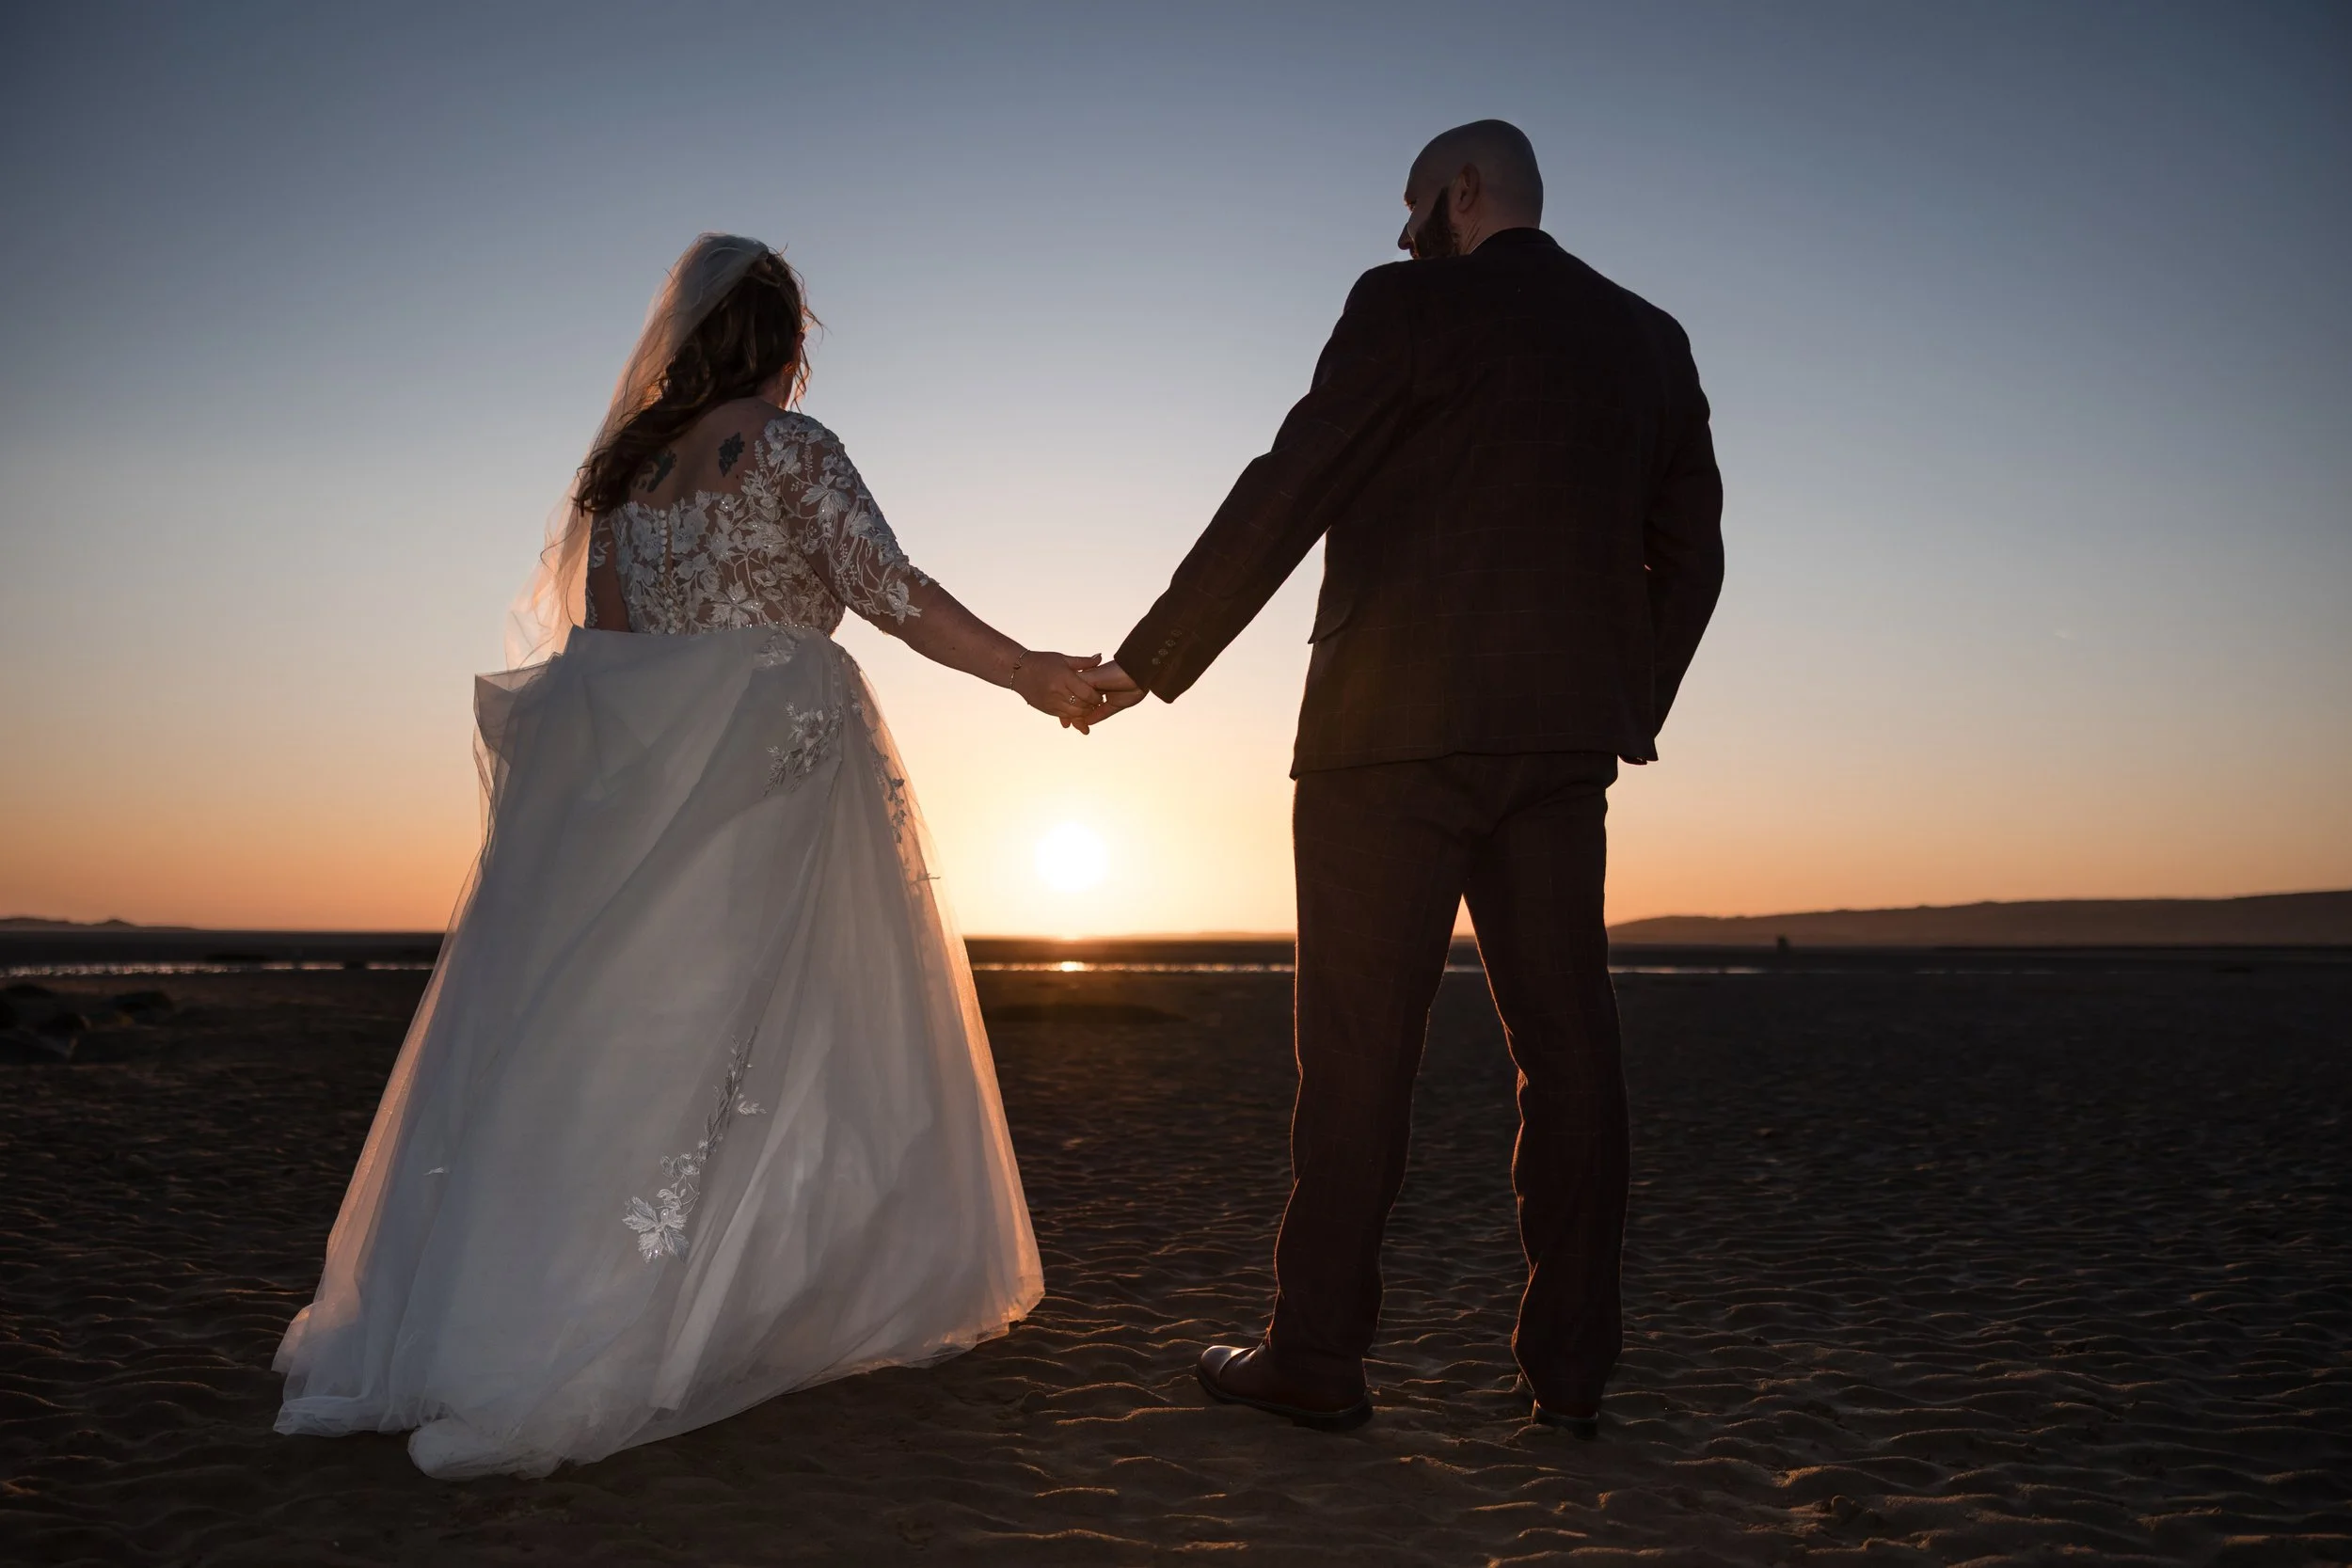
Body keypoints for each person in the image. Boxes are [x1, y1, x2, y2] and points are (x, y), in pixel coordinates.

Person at [274, 234, 1106, 1478]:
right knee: (789, 1042)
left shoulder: (627, 478)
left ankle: (566, 1304)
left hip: (653, 786)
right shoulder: (788, 449)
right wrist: (1036, 671)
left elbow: (606, 656)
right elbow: (892, 589)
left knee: (645, 1049)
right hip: (776, 765)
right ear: (782, 348)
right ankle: (698, 1314)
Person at [1086, 121, 1724, 1435]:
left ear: (1466, 191)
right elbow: (1694, 556)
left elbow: (1294, 480)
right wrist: (1619, 702)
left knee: (1360, 1055)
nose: (1399, 229)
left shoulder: (1406, 304)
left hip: (1384, 735)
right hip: (1557, 748)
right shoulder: (1649, 340)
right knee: (1571, 1054)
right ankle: (1573, 1375)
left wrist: (1151, 660)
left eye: (1412, 202)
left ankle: (1317, 1357)